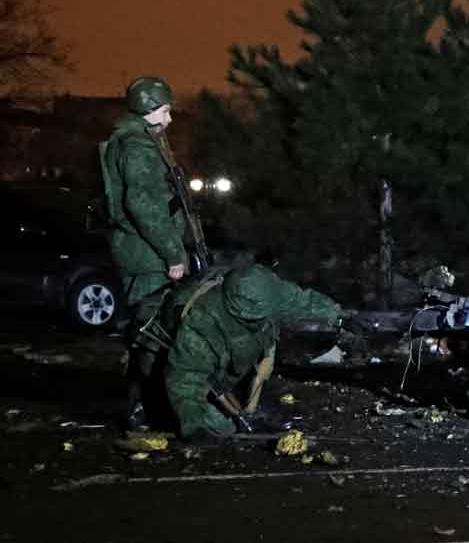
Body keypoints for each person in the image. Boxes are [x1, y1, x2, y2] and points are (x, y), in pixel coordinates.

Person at [157, 263, 342, 439]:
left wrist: (338, 316)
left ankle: (246, 403)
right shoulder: (202, 326)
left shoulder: (266, 290)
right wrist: (196, 425)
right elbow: (185, 380)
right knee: (223, 428)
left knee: (261, 345)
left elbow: (299, 301)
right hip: (202, 372)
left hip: (236, 356)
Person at [99, 76, 190, 427]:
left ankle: (146, 405)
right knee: (151, 331)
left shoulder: (136, 140)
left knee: (148, 328)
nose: (169, 118)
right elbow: (143, 206)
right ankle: (144, 409)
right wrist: (173, 254)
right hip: (147, 255)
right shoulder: (137, 146)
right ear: (148, 109)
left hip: (141, 251)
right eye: (164, 111)